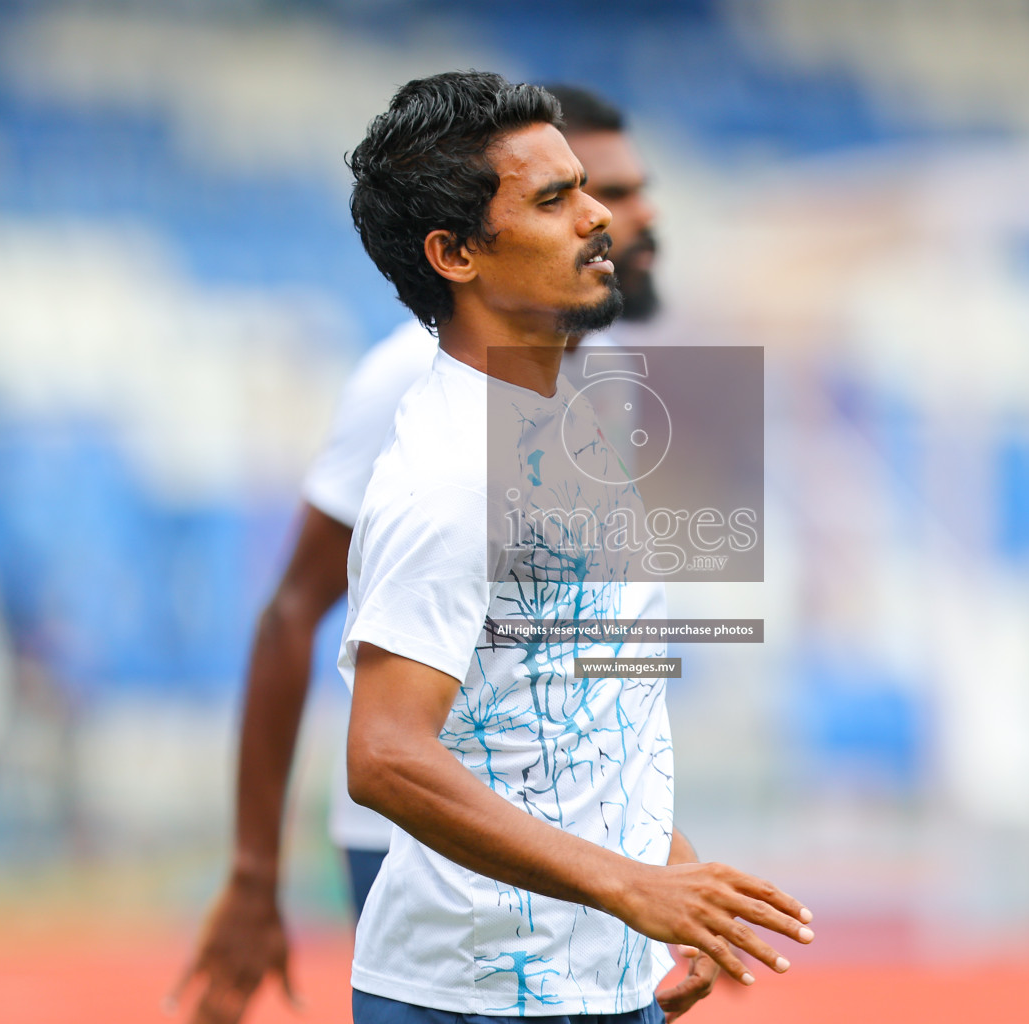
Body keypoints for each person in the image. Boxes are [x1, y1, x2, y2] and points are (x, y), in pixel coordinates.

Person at [172, 84, 673, 1024]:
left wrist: (657, 858)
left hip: (584, 912)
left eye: (621, 190)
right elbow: (308, 628)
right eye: (569, 194)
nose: (622, 217)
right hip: (437, 866)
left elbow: (584, 647)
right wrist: (254, 876)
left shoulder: (588, 384)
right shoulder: (422, 403)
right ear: (458, 254)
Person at [339, 72, 811, 1022]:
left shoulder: (564, 427)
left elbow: (561, 697)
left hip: (589, 986)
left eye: (585, 188)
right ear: (456, 253)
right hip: (475, 1001)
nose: (598, 217)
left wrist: (668, 878)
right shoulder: (451, 471)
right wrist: (629, 887)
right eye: (554, 200)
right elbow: (384, 754)